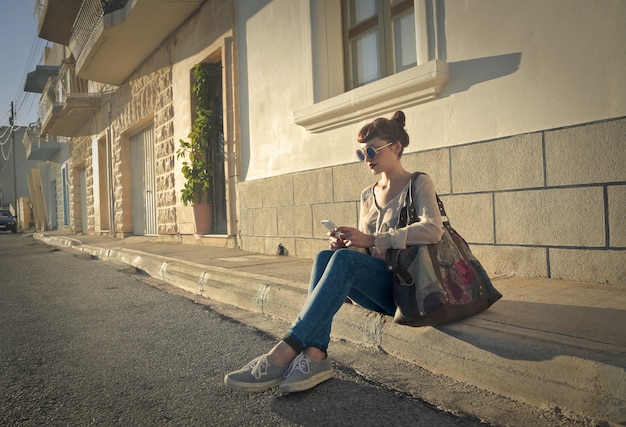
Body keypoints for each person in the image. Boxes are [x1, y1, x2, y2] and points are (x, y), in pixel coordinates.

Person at [224, 111, 444, 393]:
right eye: (361, 153)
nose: (367, 158)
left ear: (396, 148)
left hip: (408, 289)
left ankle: (283, 353)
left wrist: (372, 238)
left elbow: (432, 230)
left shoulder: (418, 183)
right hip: (378, 285)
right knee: (326, 256)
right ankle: (316, 356)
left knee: (341, 261)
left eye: (372, 150)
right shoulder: (368, 194)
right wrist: (351, 244)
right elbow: (367, 251)